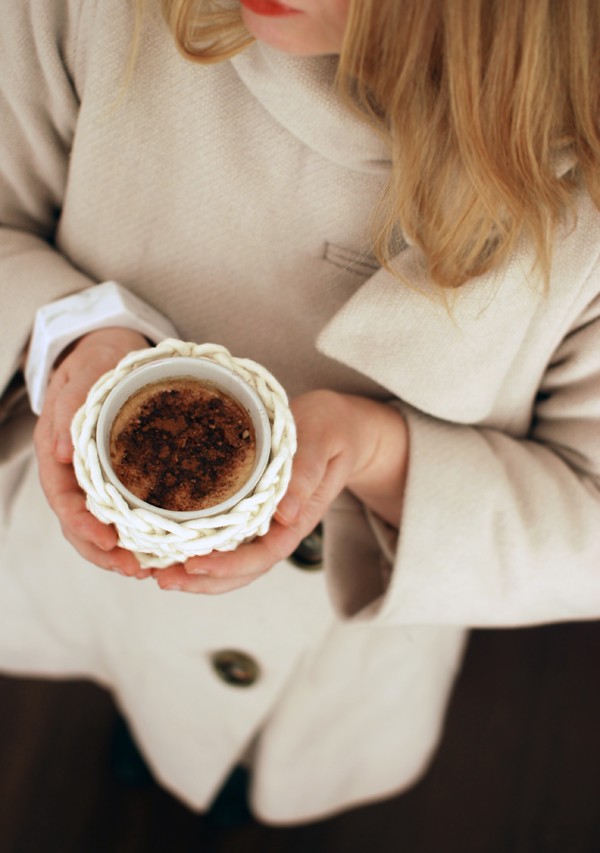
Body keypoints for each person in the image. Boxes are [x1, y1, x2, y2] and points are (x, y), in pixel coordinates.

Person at [0, 0, 599, 825]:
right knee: (135, 675)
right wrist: (68, 336)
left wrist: (380, 455)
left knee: (269, 758)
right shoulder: (95, 17)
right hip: (82, 558)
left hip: (343, 646)